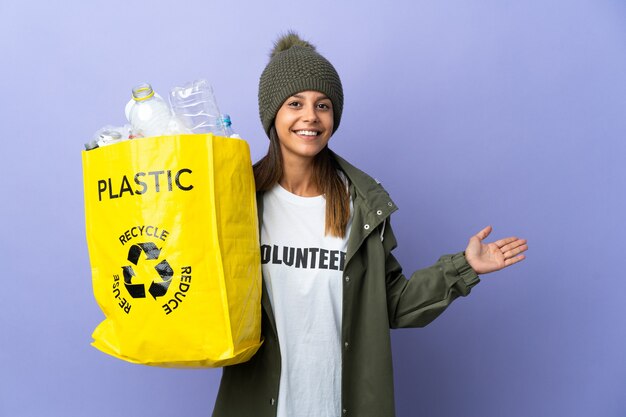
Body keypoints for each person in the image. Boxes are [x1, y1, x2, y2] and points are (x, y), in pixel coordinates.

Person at [213, 32, 527, 417]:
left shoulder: (360, 204)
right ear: (272, 113)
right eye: (295, 103)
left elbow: (390, 305)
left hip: (341, 405)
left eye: (323, 105)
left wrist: (463, 268)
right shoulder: (237, 200)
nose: (310, 116)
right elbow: (203, 292)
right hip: (260, 404)